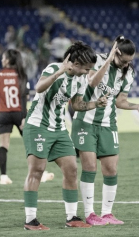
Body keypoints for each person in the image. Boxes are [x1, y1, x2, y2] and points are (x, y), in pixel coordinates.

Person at [22, 41, 109, 230]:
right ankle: (30, 219)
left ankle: (72, 217)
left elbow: (76, 105)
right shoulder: (54, 68)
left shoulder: (79, 80)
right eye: (86, 69)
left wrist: (96, 104)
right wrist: (59, 72)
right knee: (37, 170)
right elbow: (38, 88)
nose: (88, 73)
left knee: (71, 169)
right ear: (76, 64)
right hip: (38, 126)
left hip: (59, 129)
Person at [71, 35, 139, 225]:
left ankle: (107, 213)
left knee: (110, 169)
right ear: (115, 53)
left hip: (108, 124)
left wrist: (136, 106)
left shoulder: (129, 73)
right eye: (124, 60)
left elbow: (120, 101)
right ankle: (90, 213)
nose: (127, 65)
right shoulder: (96, 60)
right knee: (90, 167)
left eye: (130, 61)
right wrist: (108, 61)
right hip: (86, 120)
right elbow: (91, 82)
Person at [0, 49, 29, 185]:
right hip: (19, 113)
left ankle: (3, 177)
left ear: (7, 60)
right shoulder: (21, 74)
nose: (2, 60)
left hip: (4, 113)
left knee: (4, 145)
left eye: (3, 58)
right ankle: (39, 173)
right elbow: (24, 97)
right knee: (30, 144)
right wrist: (24, 117)